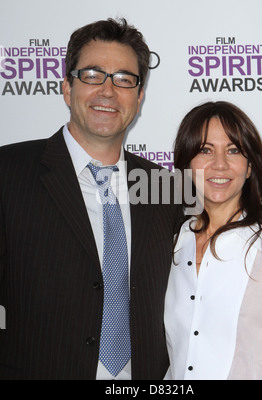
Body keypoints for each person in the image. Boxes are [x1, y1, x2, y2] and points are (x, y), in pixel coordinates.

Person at [0, 18, 182, 380]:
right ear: (67, 87)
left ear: (139, 97)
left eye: (124, 79)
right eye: (93, 75)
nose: (108, 91)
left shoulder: (168, 189)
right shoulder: (7, 173)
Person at [164, 101, 262, 380]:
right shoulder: (171, 244)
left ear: (249, 167)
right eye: (205, 150)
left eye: (233, 150)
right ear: (187, 164)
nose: (220, 164)